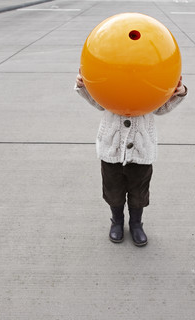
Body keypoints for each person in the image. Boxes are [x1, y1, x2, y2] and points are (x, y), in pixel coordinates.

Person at [75, 71, 187, 246]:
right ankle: (117, 221)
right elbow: (98, 102)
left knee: (139, 193)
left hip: (141, 152)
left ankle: (136, 224)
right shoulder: (111, 77)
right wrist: (84, 86)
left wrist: (178, 93)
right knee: (113, 191)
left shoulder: (149, 80)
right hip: (112, 150)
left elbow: (160, 108)